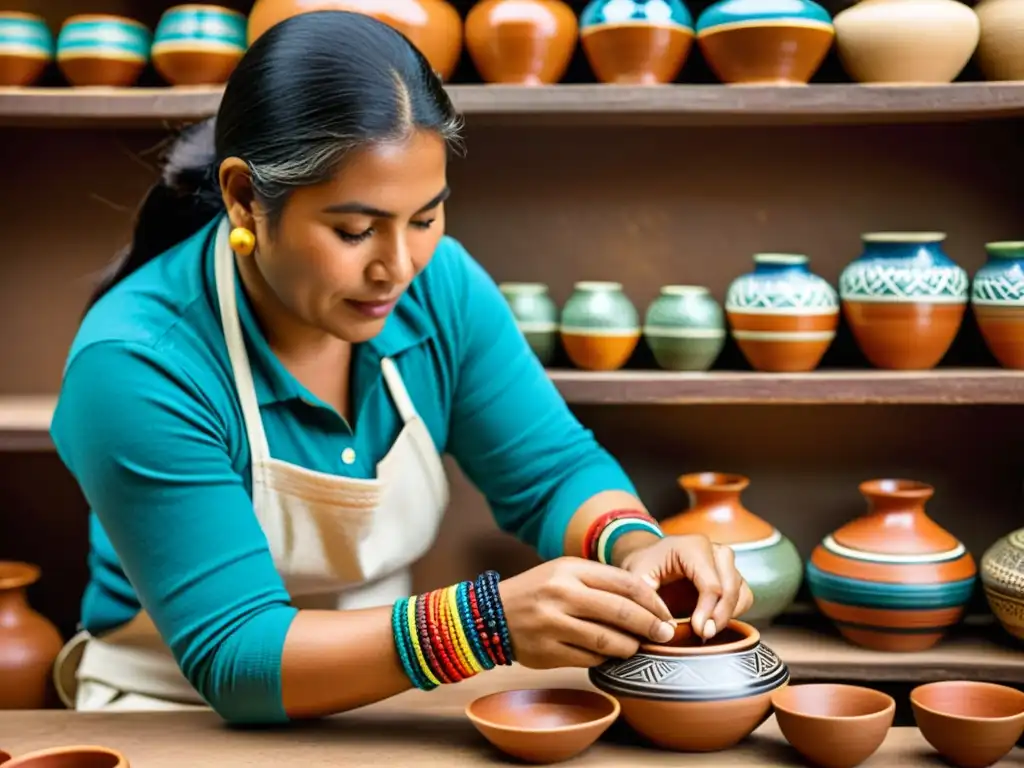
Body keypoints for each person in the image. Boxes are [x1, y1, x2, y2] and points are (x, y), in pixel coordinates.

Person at [49, 10, 753, 724]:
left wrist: (638, 546)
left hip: (387, 698)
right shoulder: (137, 362)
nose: (398, 267)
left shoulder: (438, 284)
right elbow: (238, 657)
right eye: (354, 230)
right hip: (171, 712)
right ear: (244, 198)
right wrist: (487, 626)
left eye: (425, 217)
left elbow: (553, 472)